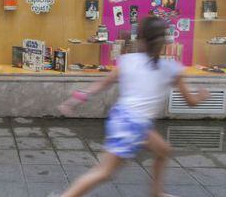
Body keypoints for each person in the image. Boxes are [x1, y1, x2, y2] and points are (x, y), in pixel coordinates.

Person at [58, 16, 209, 197]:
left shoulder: (128, 60)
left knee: (163, 150)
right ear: (166, 41)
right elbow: (191, 102)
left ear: (140, 39)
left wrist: (76, 98)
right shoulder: (172, 68)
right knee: (103, 172)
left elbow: (101, 84)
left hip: (123, 118)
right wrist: (201, 96)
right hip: (133, 125)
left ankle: (156, 192)